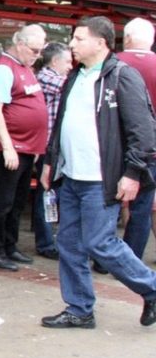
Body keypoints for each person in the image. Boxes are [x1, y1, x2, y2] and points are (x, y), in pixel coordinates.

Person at [40, 16, 156, 329]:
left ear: (101, 43)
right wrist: (51, 161)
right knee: (69, 244)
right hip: (72, 176)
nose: (72, 45)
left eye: (79, 39)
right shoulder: (75, 76)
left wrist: (133, 173)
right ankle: (79, 309)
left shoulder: (122, 76)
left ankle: (152, 287)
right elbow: (61, 123)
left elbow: (143, 132)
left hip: (102, 179)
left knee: (99, 242)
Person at [0, 24, 48, 271]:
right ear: (20, 43)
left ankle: (10, 245)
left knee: (18, 201)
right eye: (34, 49)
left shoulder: (25, 67)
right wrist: (8, 147)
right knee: (3, 201)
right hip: (11, 148)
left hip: (27, 148)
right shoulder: (3, 67)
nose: (37, 55)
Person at [114, 17, 156, 262]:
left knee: (109, 203)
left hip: (115, 145)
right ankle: (131, 259)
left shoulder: (113, 64)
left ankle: (103, 258)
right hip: (151, 148)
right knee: (142, 206)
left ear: (126, 38)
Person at [31, 42, 72, 260]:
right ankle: (46, 243)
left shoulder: (55, 76)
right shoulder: (46, 76)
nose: (70, 66)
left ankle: (55, 240)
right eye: (67, 61)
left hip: (57, 147)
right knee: (47, 195)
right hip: (47, 147)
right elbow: (69, 86)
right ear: (55, 62)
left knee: (57, 194)